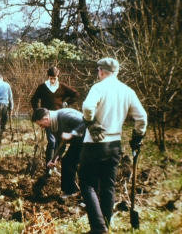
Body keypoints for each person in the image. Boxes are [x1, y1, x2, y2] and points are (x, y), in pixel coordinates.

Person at [80, 58, 147, 234]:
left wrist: (91, 122)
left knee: (88, 184)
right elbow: (142, 117)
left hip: (94, 144)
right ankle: (106, 225)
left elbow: (87, 106)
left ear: (101, 71)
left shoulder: (99, 87)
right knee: (108, 186)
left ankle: (98, 227)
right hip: (114, 144)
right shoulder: (127, 91)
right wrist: (137, 137)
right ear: (116, 72)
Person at [30, 67, 80, 176]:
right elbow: (34, 99)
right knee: (51, 142)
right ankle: (48, 168)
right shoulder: (43, 87)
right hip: (47, 120)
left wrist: (66, 103)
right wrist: (38, 113)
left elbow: (76, 94)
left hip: (60, 118)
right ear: (48, 77)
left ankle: (54, 164)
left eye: (55, 78)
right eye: (51, 78)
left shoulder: (61, 87)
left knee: (59, 142)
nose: (53, 81)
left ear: (57, 77)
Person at [32, 107, 85, 198]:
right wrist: (55, 158)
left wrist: (72, 133)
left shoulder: (65, 116)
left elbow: (85, 122)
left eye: (40, 124)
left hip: (90, 140)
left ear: (46, 119)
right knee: (67, 162)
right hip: (78, 142)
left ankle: (90, 194)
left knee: (84, 166)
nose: (41, 127)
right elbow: (61, 143)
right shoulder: (53, 125)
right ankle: (70, 191)